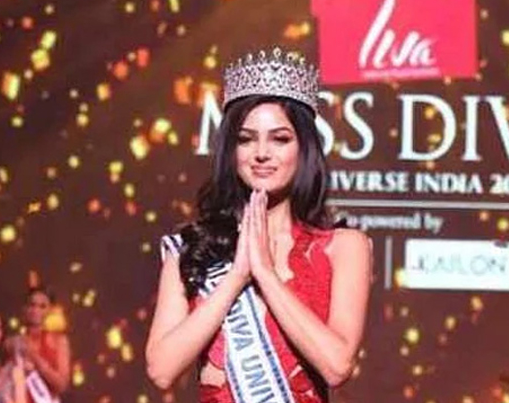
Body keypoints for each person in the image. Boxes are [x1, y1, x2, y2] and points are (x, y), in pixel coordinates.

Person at [146, 47, 373, 403]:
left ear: (304, 148)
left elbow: (337, 366)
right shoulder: (192, 248)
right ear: (231, 150)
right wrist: (236, 277)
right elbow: (161, 370)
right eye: (246, 139)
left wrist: (265, 275)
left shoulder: (343, 246)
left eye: (280, 139)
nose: (261, 153)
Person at [6, 287, 71, 403]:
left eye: (42, 306)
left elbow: (61, 385)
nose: (36, 310)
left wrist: (35, 358)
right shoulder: (13, 343)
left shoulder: (59, 341)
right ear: (24, 308)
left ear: (50, 310)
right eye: (32, 305)